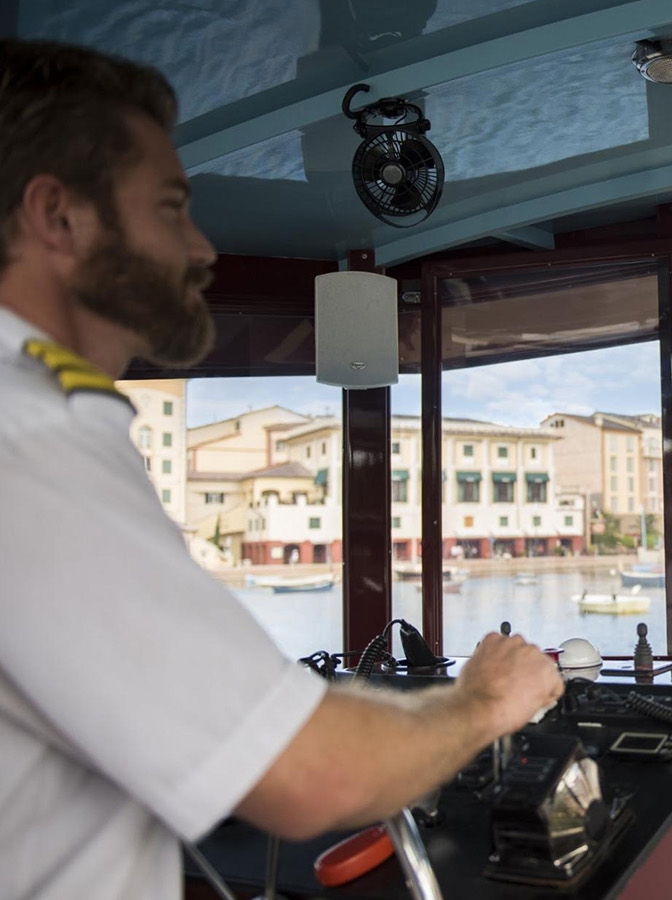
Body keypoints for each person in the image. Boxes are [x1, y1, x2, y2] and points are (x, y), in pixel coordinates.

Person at [0, 40, 563, 899]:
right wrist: (489, 699)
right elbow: (316, 778)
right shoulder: (31, 439)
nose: (200, 249)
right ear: (59, 217)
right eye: (169, 208)